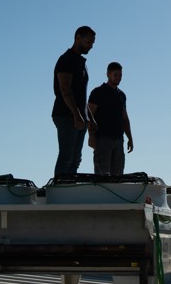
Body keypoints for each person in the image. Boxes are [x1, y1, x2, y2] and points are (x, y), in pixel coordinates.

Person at [52, 26, 96, 176]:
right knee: (67, 156)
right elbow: (65, 90)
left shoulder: (81, 62)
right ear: (77, 38)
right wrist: (76, 114)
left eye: (92, 43)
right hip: (65, 115)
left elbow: (81, 95)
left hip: (80, 117)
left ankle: (68, 189)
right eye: (88, 42)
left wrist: (89, 117)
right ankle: (58, 191)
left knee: (76, 158)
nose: (90, 46)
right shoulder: (66, 59)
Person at [87, 62, 133, 175]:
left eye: (120, 75)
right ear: (108, 74)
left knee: (118, 177)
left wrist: (130, 138)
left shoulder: (121, 96)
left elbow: (125, 118)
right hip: (102, 140)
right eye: (115, 75)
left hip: (118, 140)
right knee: (103, 177)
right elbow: (89, 115)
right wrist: (91, 136)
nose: (118, 78)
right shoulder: (97, 92)